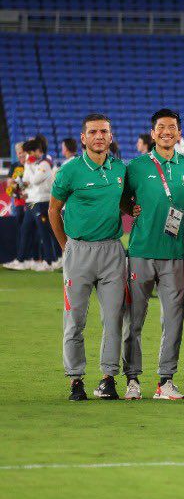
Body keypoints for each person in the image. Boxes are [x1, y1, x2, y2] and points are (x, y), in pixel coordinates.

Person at [49, 114, 128, 401]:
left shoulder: (120, 168)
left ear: (110, 136)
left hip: (112, 251)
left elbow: (125, 202)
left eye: (104, 131)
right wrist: (66, 246)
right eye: (93, 132)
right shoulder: (70, 171)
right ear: (83, 138)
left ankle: (108, 378)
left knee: (113, 319)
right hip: (78, 251)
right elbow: (53, 211)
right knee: (75, 320)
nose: (99, 136)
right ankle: (75, 380)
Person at [120, 109, 184, 401]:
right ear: (153, 134)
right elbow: (122, 197)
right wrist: (130, 209)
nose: (166, 132)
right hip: (140, 252)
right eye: (161, 127)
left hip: (175, 253)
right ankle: (133, 380)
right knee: (133, 319)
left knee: (173, 319)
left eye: (172, 128)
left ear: (178, 134)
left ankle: (165, 380)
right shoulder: (136, 166)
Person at [16, 138, 56, 270]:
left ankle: (49, 262)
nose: (29, 156)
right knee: (26, 230)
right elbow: (27, 180)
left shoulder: (45, 163)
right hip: (33, 202)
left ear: (36, 151)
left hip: (42, 201)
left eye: (30, 153)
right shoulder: (36, 163)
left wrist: (29, 166)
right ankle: (22, 260)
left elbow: (35, 180)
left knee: (45, 232)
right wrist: (30, 166)